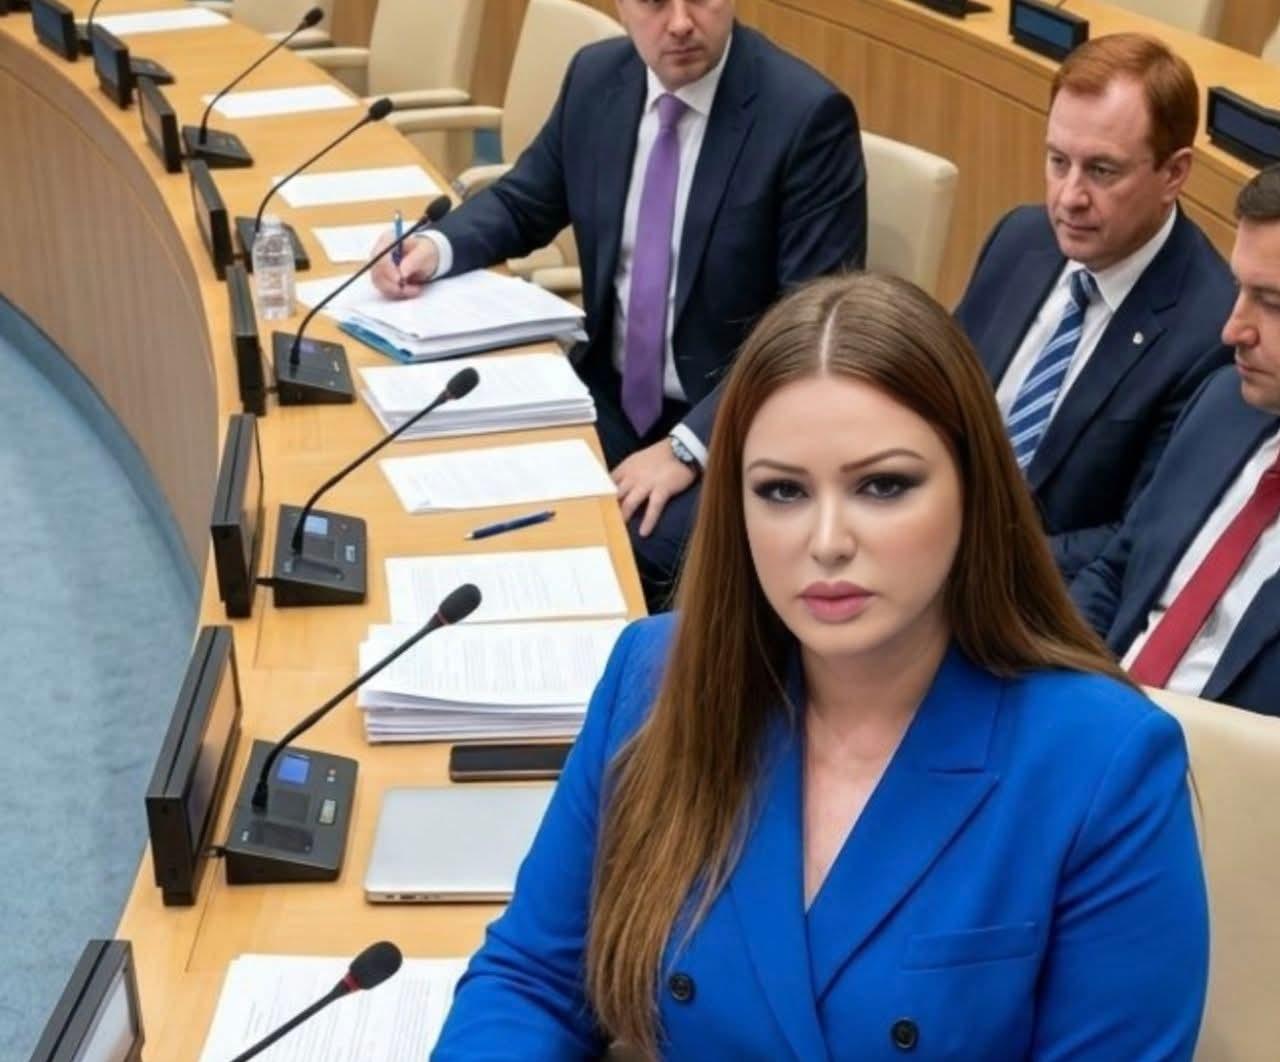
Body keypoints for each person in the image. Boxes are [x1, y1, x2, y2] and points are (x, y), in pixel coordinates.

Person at [431, 273, 1208, 1059]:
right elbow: (531, 981)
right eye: (782, 492)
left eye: (883, 486)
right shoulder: (653, 674)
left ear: (974, 492)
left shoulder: (1102, 762)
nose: (828, 541)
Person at [370, 0, 866, 605]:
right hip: (609, 391)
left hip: (733, 417)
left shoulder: (805, 117)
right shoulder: (597, 78)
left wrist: (689, 447)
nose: (679, 23)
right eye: (654, 2)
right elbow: (525, 202)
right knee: (470, 476)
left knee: (623, 546)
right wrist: (434, 246)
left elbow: (812, 330)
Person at [955, 33, 1233, 580]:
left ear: (1174, 173)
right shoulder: (1020, 238)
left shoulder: (1210, 332)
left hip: (1029, 586)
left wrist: (976, 554)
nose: (1069, 197)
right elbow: (935, 388)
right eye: (1058, 161)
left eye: (1102, 171)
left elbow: (1135, 536)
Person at [1072, 165, 1280, 717]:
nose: (1233, 330)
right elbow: (1115, 572)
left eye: (1273, 303)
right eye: (1239, 290)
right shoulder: (1225, 403)